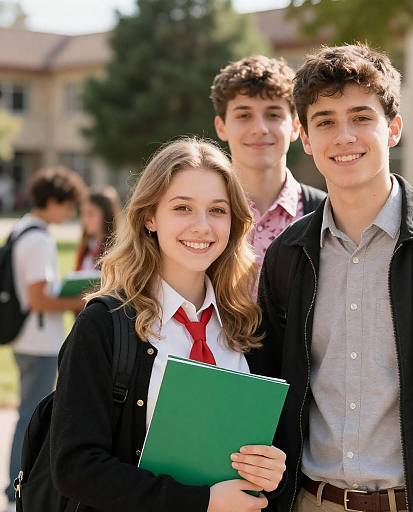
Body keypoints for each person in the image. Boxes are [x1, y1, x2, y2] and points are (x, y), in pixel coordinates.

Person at [248, 45, 413, 512]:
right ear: (305, 139)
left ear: (393, 128)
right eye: (325, 120)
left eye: (360, 116)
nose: (344, 136)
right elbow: (266, 389)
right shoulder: (288, 256)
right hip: (310, 502)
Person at [50, 138, 286, 512]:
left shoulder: (247, 326)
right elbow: (75, 467)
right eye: (182, 208)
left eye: (218, 210)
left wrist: (271, 471)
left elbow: (259, 455)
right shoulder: (105, 325)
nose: (202, 226)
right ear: (150, 217)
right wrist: (202, 502)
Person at [4, 166, 86, 512]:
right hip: (38, 342)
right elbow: (39, 299)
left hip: (26, 338)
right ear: (52, 201)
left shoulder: (22, 228)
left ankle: (14, 482)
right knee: (30, 417)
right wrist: (80, 301)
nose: (69, 214)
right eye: (67, 206)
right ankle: (16, 484)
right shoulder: (37, 239)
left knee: (27, 411)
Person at [210, 55, 326, 281]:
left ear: (295, 127)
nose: (260, 128)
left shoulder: (326, 215)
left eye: (273, 114)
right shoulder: (201, 214)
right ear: (221, 126)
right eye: (244, 115)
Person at [75, 187, 121, 271]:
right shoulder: (86, 247)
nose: (85, 219)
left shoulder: (118, 250)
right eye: (83, 213)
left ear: (106, 215)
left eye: (91, 213)